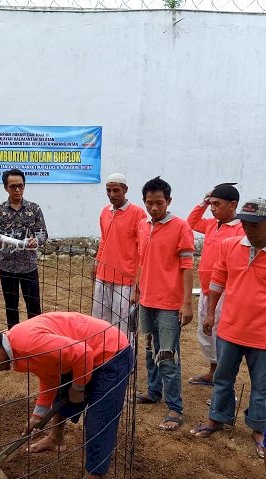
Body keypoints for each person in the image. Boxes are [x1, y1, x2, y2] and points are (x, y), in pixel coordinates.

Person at [0, 312, 132, 479]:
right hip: (84, 353)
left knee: (99, 421)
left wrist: (78, 388)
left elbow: (83, 352)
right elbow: (49, 374)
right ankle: (56, 439)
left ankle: (96, 474)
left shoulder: (28, 344)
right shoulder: (15, 349)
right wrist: (38, 415)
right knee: (63, 390)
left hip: (111, 353)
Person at [191, 197, 266, 460]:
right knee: (223, 378)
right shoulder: (229, 245)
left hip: (262, 334)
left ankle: (259, 428)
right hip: (230, 328)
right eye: (245, 223)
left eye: (255, 224)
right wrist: (210, 314)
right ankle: (217, 419)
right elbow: (218, 280)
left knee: (262, 385)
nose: (248, 229)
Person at [135, 176, 194, 431]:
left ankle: (175, 407)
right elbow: (141, 260)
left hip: (170, 304)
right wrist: (138, 290)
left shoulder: (181, 227)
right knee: (149, 351)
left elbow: (187, 266)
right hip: (146, 300)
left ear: (169, 201)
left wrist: (186, 303)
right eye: (150, 203)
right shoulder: (142, 225)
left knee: (168, 355)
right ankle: (153, 391)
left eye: (159, 203)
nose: (154, 208)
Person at [186, 183, 243, 387]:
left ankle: (224, 380)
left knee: (222, 333)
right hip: (205, 287)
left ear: (232, 204)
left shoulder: (241, 228)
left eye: (216, 204)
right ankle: (213, 371)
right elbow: (191, 222)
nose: (212, 208)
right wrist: (203, 202)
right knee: (206, 331)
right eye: (211, 204)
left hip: (226, 290)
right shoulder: (212, 224)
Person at [0, 169, 48, 330]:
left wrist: (36, 240)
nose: (17, 190)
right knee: (11, 307)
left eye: (20, 186)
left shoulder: (34, 209)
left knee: (34, 307)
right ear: (6, 188)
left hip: (29, 266)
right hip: (7, 267)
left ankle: (37, 336)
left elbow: (43, 234)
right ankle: (14, 337)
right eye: (13, 186)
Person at [92, 173, 146, 336]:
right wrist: (97, 263)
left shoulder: (138, 214)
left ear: (125, 190)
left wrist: (138, 282)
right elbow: (104, 240)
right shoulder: (104, 212)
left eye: (116, 190)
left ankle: (123, 356)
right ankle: (101, 353)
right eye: (108, 190)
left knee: (122, 322)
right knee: (99, 320)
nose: (112, 195)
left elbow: (142, 250)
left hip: (125, 278)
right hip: (103, 274)